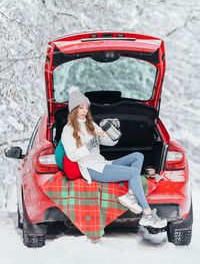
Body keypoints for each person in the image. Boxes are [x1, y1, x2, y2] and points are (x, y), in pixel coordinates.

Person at [61, 86, 167, 228]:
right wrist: (89, 146)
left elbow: (110, 142)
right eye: (81, 107)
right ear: (74, 109)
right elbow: (72, 156)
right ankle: (147, 214)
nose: (85, 111)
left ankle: (130, 194)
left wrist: (111, 129)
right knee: (133, 173)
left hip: (103, 163)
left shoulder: (90, 125)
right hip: (91, 168)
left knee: (137, 156)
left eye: (86, 107)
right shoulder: (68, 130)